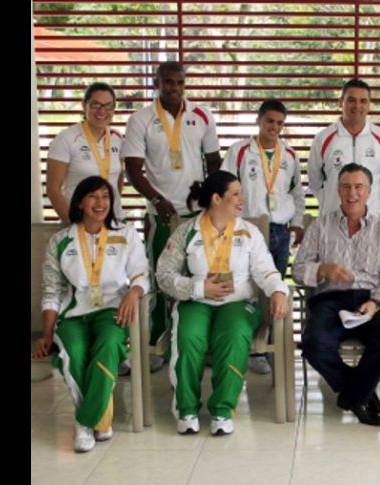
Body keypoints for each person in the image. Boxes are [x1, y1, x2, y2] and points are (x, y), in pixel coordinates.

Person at [155, 170, 290, 435]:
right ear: (217, 199)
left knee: (234, 334)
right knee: (188, 336)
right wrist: (197, 287)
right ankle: (187, 409)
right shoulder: (186, 232)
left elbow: (266, 271)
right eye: (236, 194)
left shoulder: (249, 232)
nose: (243, 199)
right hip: (196, 299)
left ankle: (222, 410)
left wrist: (278, 291)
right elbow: (164, 275)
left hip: (237, 302)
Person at [32, 176, 150, 452]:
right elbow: (51, 291)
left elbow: (142, 273)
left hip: (113, 309)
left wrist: (133, 293)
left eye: (106, 197)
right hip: (74, 313)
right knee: (73, 350)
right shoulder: (61, 241)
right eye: (93, 197)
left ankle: (85, 421)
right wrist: (47, 334)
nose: (101, 203)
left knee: (108, 345)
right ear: (80, 203)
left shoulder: (126, 234)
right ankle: (97, 420)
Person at [121, 61, 222, 372]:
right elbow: (132, 169)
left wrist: (208, 197)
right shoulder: (140, 119)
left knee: (199, 275)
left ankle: (195, 342)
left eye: (179, 82)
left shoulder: (202, 115)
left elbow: (214, 161)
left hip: (196, 214)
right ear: (157, 82)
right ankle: (157, 344)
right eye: (167, 82)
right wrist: (156, 199)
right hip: (162, 215)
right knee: (161, 277)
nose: (174, 88)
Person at [292, 164, 380, 426]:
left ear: (369, 192)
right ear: (338, 190)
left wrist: (375, 303)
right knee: (313, 345)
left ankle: (352, 396)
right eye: (346, 186)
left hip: (373, 298)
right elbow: (298, 270)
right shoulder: (320, 225)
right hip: (332, 299)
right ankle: (359, 392)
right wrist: (322, 269)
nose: (351, 193)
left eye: (358, 187)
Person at [222, 99, 306, 374]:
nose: (274, 127)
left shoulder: (290, 155)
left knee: (274, 287)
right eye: (270, 121)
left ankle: (269, 345)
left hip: (280, 231)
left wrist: (297, 224)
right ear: (258, 120)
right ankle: (245, 345)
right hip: (246, 229)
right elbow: (226, 189)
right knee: (245, 287)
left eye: (280, 123)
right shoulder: (240, 151)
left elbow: (297, 194)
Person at [307, 78, 380, 217]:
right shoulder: (323, 139)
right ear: (341, 102)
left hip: (373, 220)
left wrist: (374, 204)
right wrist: (329, 203)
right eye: (351, 100)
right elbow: (315, 181)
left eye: (363, 101)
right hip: (333, 221)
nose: (357, 106)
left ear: (369, 104)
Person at [47, 82, 125, 222]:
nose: (102, 111)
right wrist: (73, 224)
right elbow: (53, 189)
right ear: (84, 106)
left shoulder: (118, 138)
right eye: (96, 105)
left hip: (113, 220)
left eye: (108, 106)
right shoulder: (66, 138)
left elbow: (118, 180)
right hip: (80, 221)